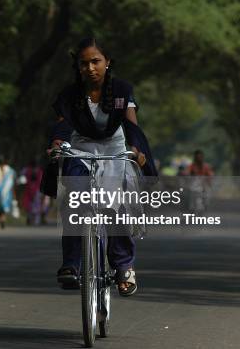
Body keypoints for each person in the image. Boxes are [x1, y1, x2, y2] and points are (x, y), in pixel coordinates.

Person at [42, 37, 157, 296]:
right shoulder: (69, 95)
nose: (90, 68)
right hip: (80, 149)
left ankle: (123, 266)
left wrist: (136, 151)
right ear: (78, 67)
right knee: (74, 199)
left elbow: (132, 127)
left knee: (117, 207)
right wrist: (57, 144)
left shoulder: (122, 91)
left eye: (96, 61)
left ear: (107, 63)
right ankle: (72, 263)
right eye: (84, 63)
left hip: (115, 149)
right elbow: (62, 125)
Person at [0, 156, 17, 229]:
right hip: (6, 192)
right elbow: (12, 182)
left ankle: (1, 219)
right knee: (3, 206)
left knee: (0, 207)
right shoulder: (9, 169)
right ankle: (3, 219)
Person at [20, 160, 44, 225]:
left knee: (29, 205)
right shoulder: (39, 171)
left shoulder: (27, 170)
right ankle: (36, 220)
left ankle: (30, 218)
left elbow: (22, 176)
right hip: (37, 190)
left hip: (29, 190)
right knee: (36, 205)